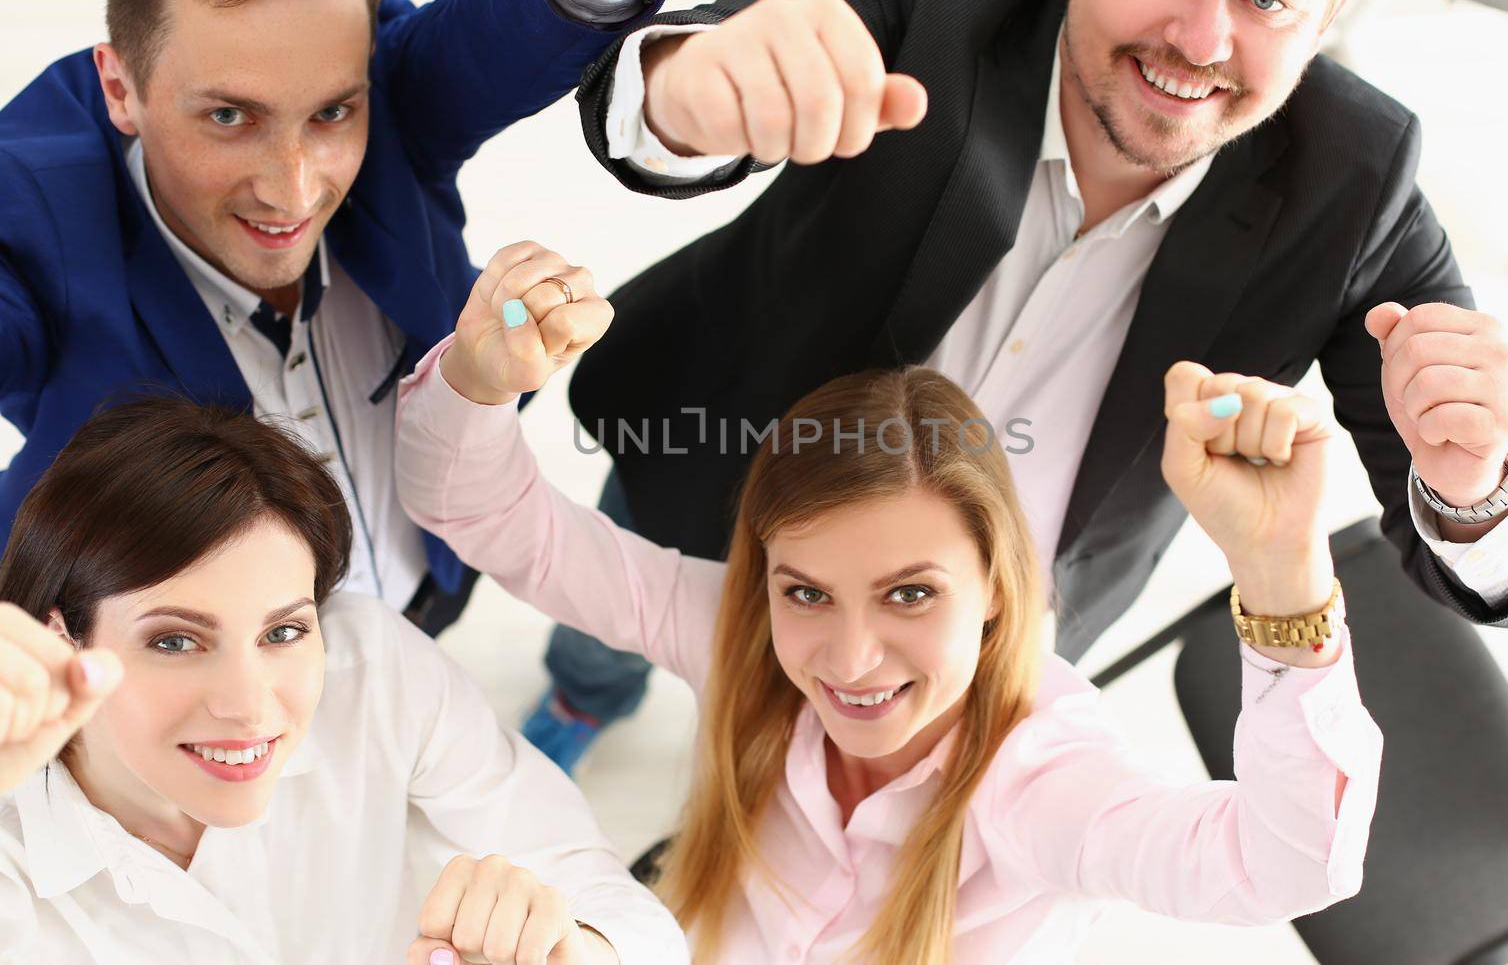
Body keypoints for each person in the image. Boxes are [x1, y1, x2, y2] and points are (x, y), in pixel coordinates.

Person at [523, 0, 1508, 768]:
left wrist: (1476, 478)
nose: (1201, 43)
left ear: (1327, 8)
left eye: (1263, 0)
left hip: (975, 626)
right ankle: (586, 694)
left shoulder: (1359, 177)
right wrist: (685, 94)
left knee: (825, 785)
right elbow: (667, 87)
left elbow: (1503, 577)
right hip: (723, 471)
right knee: (608, 639)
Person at [393, 243, 1383, 965]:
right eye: (806, 591)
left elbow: (1283, 862)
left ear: (998, 586)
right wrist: (480, 380)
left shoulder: (1039, 778)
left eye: (910, 592)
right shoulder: (737, 631)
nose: (851, 657)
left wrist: (1281, 566)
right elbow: (487, 511)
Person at [0, 0, 679, 638]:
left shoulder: (379, 80)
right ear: (120, 89)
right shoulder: (34, 212)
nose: (293, 192)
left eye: (331, 114)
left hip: (427, 590)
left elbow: (493, 37)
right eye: (230, 117)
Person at [0, 396, 687, 965]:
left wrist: (572, 950)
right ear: (61, 638)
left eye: (283, 632)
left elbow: (625, 913)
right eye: (175, 640)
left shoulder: (370, 669)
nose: (248, 705)